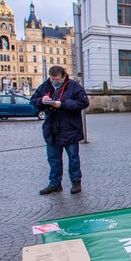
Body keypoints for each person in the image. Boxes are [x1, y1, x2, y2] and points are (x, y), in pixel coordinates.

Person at [31, 66, 90, 195]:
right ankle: (55, 183)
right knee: (53, 158)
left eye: (57, 79)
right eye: (52, 79)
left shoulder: (74, 86)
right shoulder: (46, 86)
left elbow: (83, 102)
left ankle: (76, 181)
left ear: (63, 77)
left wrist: (62, 104)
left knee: (73, 157)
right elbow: (33, 100)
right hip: (52, 128)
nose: (54, 81)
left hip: (70, 127)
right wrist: (42, 100)